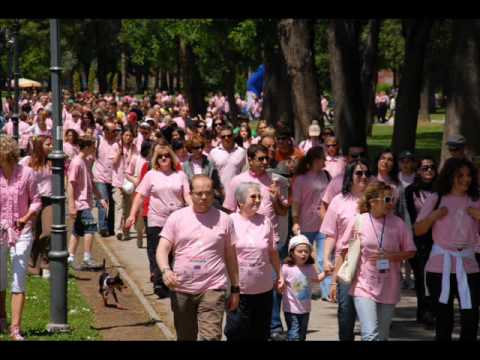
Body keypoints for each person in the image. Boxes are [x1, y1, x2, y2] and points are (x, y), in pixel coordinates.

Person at [156, 175, 240, 341]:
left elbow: (231, 257)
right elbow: (162, 249)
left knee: (211, 337)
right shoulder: (177, 217)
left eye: (208, 193)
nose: (204, 197)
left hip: (213, 288)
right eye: (199, 193)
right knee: (185, 336)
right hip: (181, 288)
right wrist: (165, 271)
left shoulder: (225, 220)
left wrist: (236, 289)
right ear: (190, 193)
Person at [414, 158, 480, 341]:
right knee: (444, 319)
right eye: (460, 175)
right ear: (450, 176)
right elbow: (418, 229)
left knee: (471, 316)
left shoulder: (475, 199)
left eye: (469, 175)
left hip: (469, 266)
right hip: (440, 267)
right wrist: (433, 217)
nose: (466, 179)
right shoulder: (437, 198)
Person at [341, 181, 416, 341]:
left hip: (389, 286)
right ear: (373, 201)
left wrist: (391, 256)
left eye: (392, 199)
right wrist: (334, 281)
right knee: (370, 334)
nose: (391, 204)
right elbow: (343, 250)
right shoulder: (359, 221)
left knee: (382, 336)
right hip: (363, 286)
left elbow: (411, 251)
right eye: (387, 200)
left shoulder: (398, 224)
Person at [125, 144, 192, 299]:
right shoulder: (151, 175)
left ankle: (170, 279)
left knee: (173, 252)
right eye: (161, 156)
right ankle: (159, 282)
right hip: (156, 219)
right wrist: (132, 214)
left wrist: (194, 209)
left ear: (171, 158)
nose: (163, 158)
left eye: (167, 155)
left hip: (176, 220)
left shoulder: (180, 175)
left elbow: (187, 195)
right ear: (156, 159)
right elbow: (140, 195)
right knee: (157, 250)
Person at [224, 182, 284, 341]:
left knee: (260, 334)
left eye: (259, 197)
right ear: (240, 201)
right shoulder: (229, 221)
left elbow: (272, 251)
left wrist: (280, 275)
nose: (258, 200)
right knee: (236, 333)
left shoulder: (266, 221)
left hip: (263, 290)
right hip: (239, 291)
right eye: (253, 196)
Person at [321, 159, 371, 341]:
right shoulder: (338, 201)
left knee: (370, 313)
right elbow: (331, 234)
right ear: (350, 176)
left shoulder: (375, 200)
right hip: (346, 261)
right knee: (346, 310)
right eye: (359, 173)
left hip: (370, 262)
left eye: (366, 173)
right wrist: (326, 258)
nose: (364, 177)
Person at [0, 135, 41, 340]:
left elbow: (36, 201)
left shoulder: (27, 174)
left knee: (18, 277)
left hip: (22, 231)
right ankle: (1, 317)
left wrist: (25, 218)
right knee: (0, 278)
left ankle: (15, 328)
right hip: (0, 230)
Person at [291, 146, 331, 301]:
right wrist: (295, 221)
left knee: (323, 258)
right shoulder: (301, 179)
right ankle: (299, 291)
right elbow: (295, 202)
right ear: (315, 160)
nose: (325, 161)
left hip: (323, 223)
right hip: (305, 223)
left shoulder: (326, 176)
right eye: (323, 158)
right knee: (302, 258)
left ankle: (327, 293)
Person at [404, 156, 438, 327]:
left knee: (434, 277)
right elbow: (411, 216)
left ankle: (433, 311)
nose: (429, 170)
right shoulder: (411, 191)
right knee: (420, 277)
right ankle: (423, 312)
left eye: (432, 167)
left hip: (439, 240)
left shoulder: (441, 190)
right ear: (418, 171)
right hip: (418, 240)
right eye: (425, 168)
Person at [67, 136, 108, 268]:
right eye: (93, 146)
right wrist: (72, 205)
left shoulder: (85, 162)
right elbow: (71, 184)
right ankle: (87, 258)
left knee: (77, 230)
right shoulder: (77, 162)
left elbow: (91, 183)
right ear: (86, 147)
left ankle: (69, 258)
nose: (95, 148)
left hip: (84, 202)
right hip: (81, 203)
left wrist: (100, 198)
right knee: (90, 228)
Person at [19, 136, 53, 275]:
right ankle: (31, 263)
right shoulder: (27, 161)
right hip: (32, 200)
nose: (51, 147)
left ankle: (45, 262)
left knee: (48, 232)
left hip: (48, 200)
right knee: (32, 233)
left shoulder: (53, 161)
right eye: (48, 144)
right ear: (39, 146)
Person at [281, 235, 326, 341]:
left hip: (305, 309)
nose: (303, 254)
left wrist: (326, 273)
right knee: (294, 334)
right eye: (300, 251)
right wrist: (280, 285)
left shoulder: (309, 268)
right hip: (291, 309)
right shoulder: (286, 268)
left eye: (306, 251)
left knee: (302, 335)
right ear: (291, 252)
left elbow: (316, 279)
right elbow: (279, 283)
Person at [92, 121, 118, 237]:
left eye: (115, 131)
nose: (114, 133)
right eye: (112, 131)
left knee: (112, 203)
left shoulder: (117, 143)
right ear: (105, 131)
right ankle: (102, 227)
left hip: (113, 178)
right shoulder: (99, 141)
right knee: (104, 201)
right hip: (100, 176)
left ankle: (111, 227)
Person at [183, 135, 224, 207]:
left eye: (201, 147)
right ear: (190, 149)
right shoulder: (185, 166)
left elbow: (217, 183)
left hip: (208, 200)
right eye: (196, 148)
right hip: (192, 201)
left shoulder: (210, 164)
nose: (200, 150)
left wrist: (222, 198)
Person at [112, 125, 137, 241]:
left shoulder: (135, 148)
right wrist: (120, 152)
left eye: (130, 135)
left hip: (130, 182)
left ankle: (126, 230)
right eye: (126, 135)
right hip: (118, 181)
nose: (128, 137)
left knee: (128, 207)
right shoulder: (116, 146)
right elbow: (113, 163)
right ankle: (118, 230)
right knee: (119, 206)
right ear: (122, 136)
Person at [208, 125, 247, 190]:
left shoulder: (242, 152)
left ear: (233, 136)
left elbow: (245, 172)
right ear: (220, 138)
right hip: (219, 192)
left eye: (229, 136)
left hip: (237, 190)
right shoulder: (213, 152)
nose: (226, 138)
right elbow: (210, 173)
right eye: (223, 137)